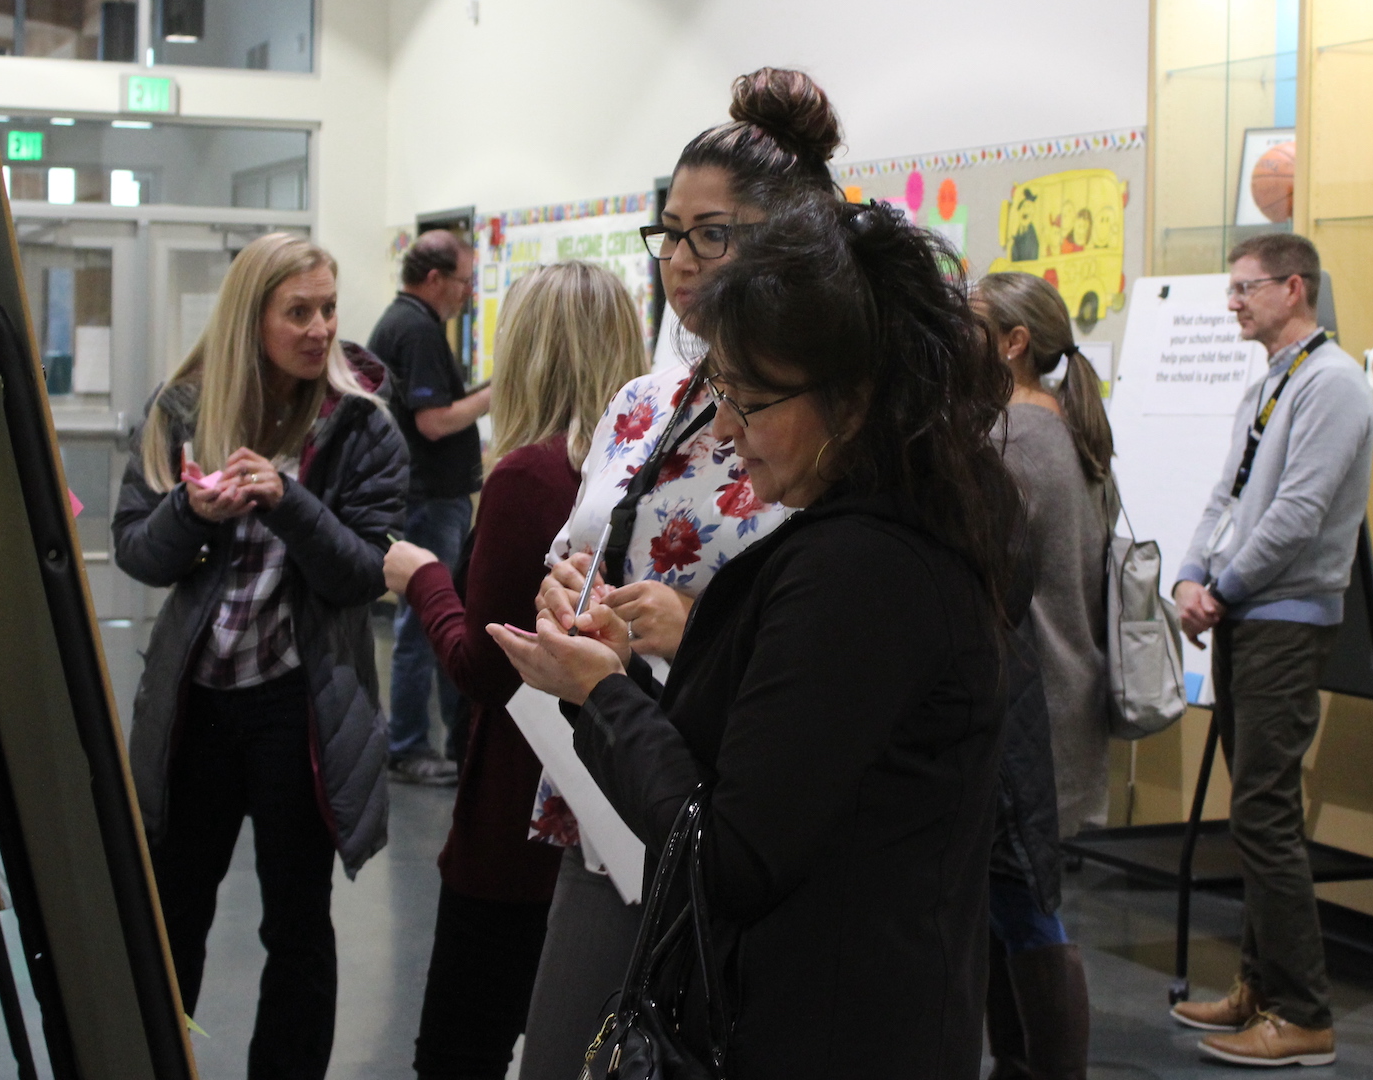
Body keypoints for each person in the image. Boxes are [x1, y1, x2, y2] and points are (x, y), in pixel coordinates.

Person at [492, 189, 1023, 1080]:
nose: (728, 431)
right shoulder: (890, 538)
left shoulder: (857, 573)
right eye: (722, 394)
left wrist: (603, 696)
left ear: (853, 400)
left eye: (751, 400)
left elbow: (728, 858)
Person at [510, 66, 826, 1080]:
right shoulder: (644, 398)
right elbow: (578, 547)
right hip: (603, 779)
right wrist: (567, 591)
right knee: (567, 1051)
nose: (681, 262)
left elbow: (832, 625)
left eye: (711, 235)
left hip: (722, 794)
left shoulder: (815, 418)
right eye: (670, 233)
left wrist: (696, 629)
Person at [113, 233, 406, 1080]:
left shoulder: (360, 426)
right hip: (197, 707)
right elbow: (137, 551)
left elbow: (360, 574)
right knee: (173, 915)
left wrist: (287, 501)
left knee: (298, 927)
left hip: (298, 708)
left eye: (328, 308)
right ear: (253, 317)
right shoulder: (181, 411)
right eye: (298, 311)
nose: (319, 329)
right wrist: (195, 515)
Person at [382, 262, 650, 1080]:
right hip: (619, 802)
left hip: (517, 817)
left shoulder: (529, 476)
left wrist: (422, 577)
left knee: (461, 1045)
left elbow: (486, 667)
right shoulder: (640, 474)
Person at [1168, 233, 1372, 1067]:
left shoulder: (1335, 385)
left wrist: (1226, 587)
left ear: (1295, 288)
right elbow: (1231, 490)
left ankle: (1304, 1012)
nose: (1232, 303)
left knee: (1264, 810)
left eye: (1246, 288)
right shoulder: (1272, 384)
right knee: (1253, 810)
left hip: (1285, 616)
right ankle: (1260, 986)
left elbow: (1298, 510)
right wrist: (1189, 571)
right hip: (1249, 611)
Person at [973, 271, 1116, 1080]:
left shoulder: (1017, 441)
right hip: (1061, 705)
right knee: (1009, 907)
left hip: (1036, 715)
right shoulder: (1065, 428)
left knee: (1029, 914)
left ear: (1013, 343)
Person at [370, 228, 486, 786]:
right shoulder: (416, 330)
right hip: (428, 499)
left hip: (429, 499)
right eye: (465, 281)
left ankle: (434, 737)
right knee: (421, 623)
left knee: (432, 617)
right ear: (435, 278)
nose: (469, 293)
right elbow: (433, 422)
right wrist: (495, 392)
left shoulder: (408, 322)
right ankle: (409, 745)